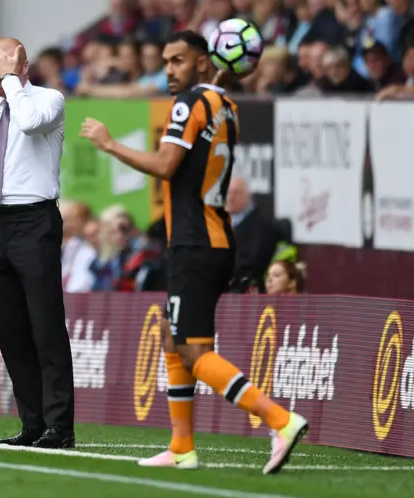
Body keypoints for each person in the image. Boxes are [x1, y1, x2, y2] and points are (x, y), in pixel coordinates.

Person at [80, 30, 308, 474]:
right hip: (212, 238)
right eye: (165, 61)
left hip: (195, 242)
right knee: (174, 337)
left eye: (178, 60)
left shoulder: (191, 103)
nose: (169, 69)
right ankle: (181, 446)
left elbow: (166, 165)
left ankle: (279, 419)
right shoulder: (228, 107)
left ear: (204, 62)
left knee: (192, 353)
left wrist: (110, 144)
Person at [0, 37, 75, 449]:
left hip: (35, 220)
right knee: (10, 329)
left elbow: (27, 121)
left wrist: (13, 78)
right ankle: (32, 423)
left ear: (21, 66)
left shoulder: (49, 100)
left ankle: (60, 427)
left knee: (45, 325)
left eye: (3, 65)